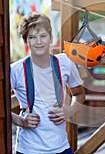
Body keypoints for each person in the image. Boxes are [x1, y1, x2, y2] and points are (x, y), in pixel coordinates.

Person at [10, 12, 85, 154]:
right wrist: (20, 120)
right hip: (28, 149)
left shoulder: (65, 63)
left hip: (60, 147)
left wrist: (70, 110)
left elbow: (79, 94)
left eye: (43, 36)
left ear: (51, 38)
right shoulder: (16, 70)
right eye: (32, 37)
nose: (39, 42)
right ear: (26, 41)